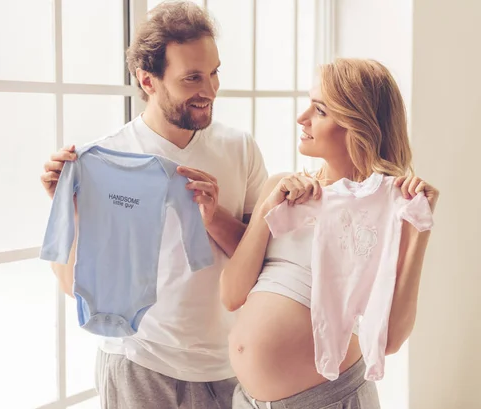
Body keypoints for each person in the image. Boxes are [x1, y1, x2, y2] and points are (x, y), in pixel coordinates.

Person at [40, 2, 268, 408]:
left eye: (214, 72)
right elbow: (69, 284)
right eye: (192, 78)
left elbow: (261, 261)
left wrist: (214, 219)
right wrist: (72, 209)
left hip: (228, 366)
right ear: (148, 81)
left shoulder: (241, 149)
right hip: (139, 366)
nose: (210, 90)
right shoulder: (107, 158)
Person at [220, 58, 440, 409]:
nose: (301, 118)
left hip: (329, 400)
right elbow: (231, 294)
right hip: (247, 402)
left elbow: (392, 339)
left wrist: (420, 230)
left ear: (358, 125)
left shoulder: (389, 209)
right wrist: (266, 210)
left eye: (319, 110)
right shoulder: (281, 188)